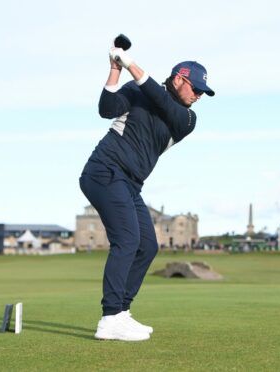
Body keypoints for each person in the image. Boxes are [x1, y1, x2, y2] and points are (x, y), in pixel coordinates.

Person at [79, 44, 214, 341]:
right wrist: (115, 69)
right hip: (104, 171)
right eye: (196, 88)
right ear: (179, 78)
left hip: (130, 184)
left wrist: (130, 62)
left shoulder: (187, 119)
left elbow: (162, 101)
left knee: (147, 246)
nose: (199, 95)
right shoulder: (139, 91)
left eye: (203, 92)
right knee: (127, 240)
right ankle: (110, 316)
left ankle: (121, 313)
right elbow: (106, 109)